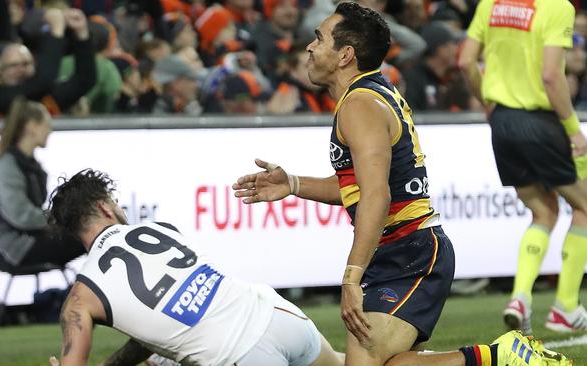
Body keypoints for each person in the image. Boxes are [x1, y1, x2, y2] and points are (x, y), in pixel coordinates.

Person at [232, 3, 570, 366]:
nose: (311, 48)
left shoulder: (359, 105)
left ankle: (501, 357)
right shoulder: (369, 93)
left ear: (345, 55)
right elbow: (360, 186)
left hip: (409, 252)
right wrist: (294, 183)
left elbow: (377, 195)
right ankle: (499, 357)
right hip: (404, 250)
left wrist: (350, 278)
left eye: (319, 39)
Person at [46, 168, 344, 366]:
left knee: (166, 359)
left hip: (236, 356)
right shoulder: (161, 229)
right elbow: (157, 330)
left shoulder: (79, 300)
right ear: (105, 207)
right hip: (278, 315)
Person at [459, 0, 587, 335]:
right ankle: (566, 307)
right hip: (540, 121)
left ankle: (520, 298)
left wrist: (487, 100)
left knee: (542, 212)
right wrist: (573, 128)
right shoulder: (557, 7)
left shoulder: (491, 3)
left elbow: (465, 61)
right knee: (585, 207)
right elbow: (550, 74)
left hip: (502, 121)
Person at [0, 97, 85, 271]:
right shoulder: (7, 166)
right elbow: (21, 216)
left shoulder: (28, 164)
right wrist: (62, 219)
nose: (50, 130)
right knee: (88, 234)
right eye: (46, 124)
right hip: (13, 247)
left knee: (89, 233)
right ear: (31, 126)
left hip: (27, 240)